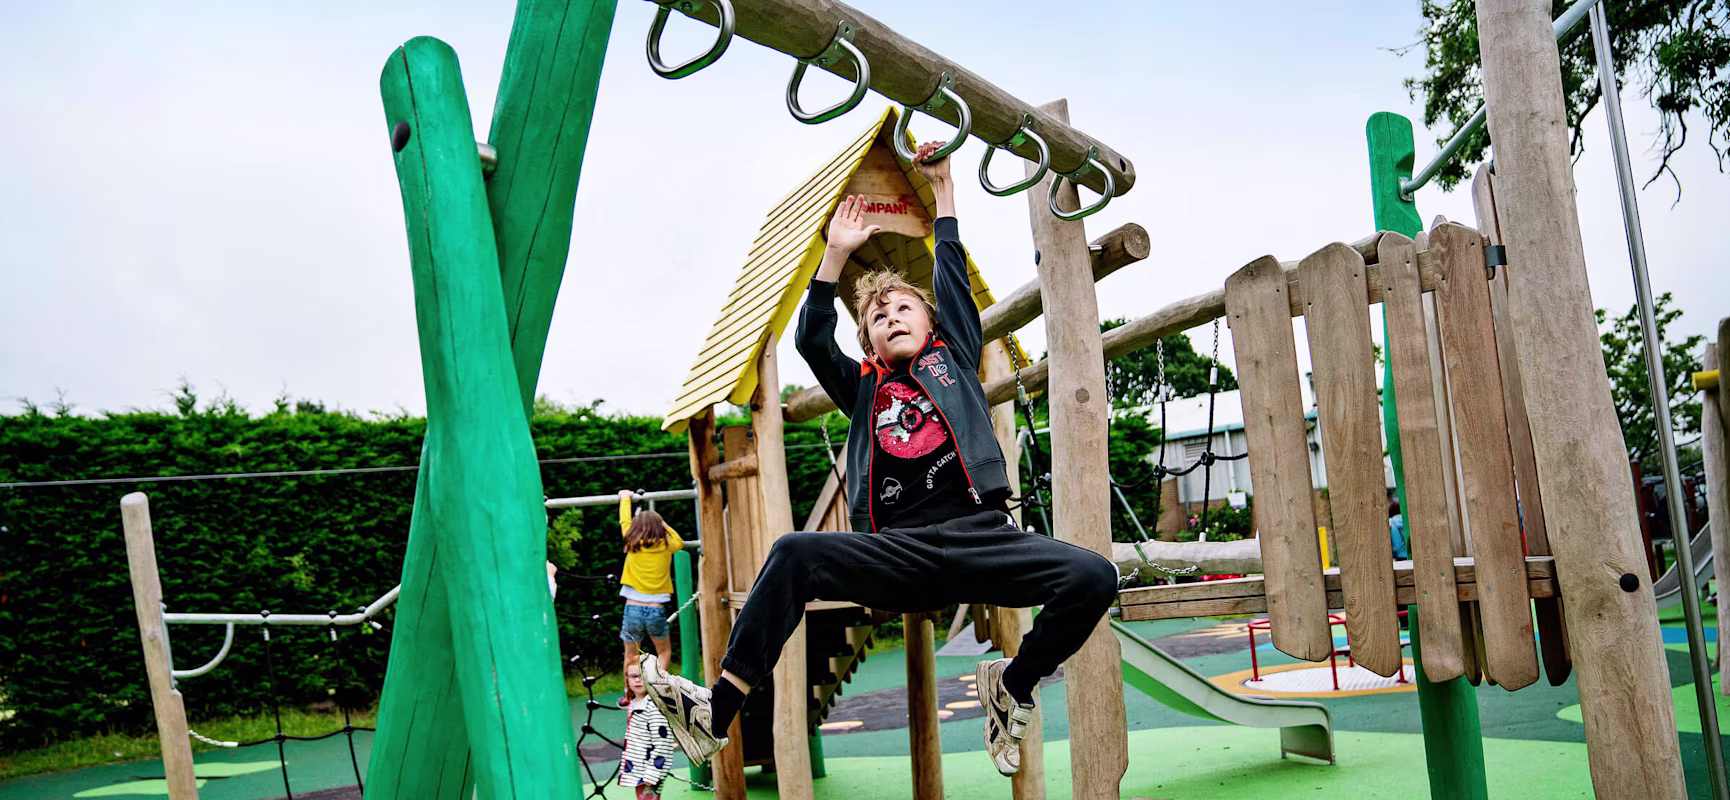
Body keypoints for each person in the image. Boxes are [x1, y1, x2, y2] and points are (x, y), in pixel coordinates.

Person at [640, 140, 1119, 778]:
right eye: (877, 316)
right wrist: (834, 254)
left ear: (931, 324)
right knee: (792, 553)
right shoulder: (862, 387)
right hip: (901, 554)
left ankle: (1016, 685)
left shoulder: (955, 357)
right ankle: (714, 714)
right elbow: (812, 336)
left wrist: (945, 190)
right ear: (866, 340)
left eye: (903, 308)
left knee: (1093, 577)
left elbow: (948, 274)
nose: (891, 317)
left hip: (981, 538)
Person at [619, 490, 683, 706]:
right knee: (663, 651)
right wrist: (664, 525)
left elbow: (625, 521)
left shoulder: (631, 543)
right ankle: (655, 689)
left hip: (632, 609)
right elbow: (679, 542)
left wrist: (624, 498)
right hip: (656, 609)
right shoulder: (666, 545)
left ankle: (628, 694)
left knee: (630, 654)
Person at [618, 662, 676, 800]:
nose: (638, 680)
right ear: (627, 679)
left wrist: (653, 771)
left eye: (643, 676)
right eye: (633, 676)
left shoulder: (653, 707)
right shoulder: (635, 703)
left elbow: (663, 741)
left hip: (649, 768)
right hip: (639, 765)